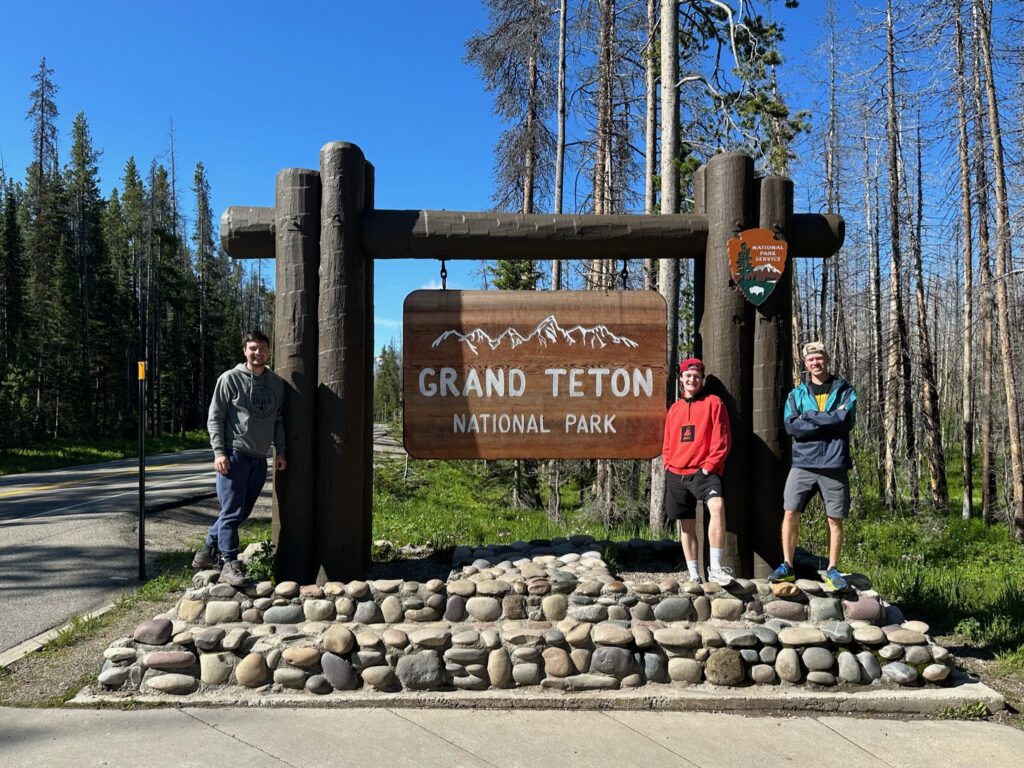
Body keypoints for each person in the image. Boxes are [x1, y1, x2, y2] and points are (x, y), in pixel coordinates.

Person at [192, 329, 287, 586]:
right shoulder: (230, 379)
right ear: (245, 351)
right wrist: (219, 453)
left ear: (269, 351)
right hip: (234, 455)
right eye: (253, 348)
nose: (258, 353)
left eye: (263, 348)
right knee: (232, 512)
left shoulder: (276, 384)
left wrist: (281, 451)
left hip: (259, 458)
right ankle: (228, 562)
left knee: (240, 511)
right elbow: (216, 417)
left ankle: (205, 553)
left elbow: (278, 421)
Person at [769, 340, 856, 590]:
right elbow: (792, 426)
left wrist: (810, 417)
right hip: (803, 463)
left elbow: (845, 419)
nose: (815, 363)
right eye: (810, 360)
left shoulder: (845, 390)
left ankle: (832, 568)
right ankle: (787, 565)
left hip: (834, 461)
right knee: (790, 511)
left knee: (835, 518)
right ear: (805, 364)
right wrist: (826, 421)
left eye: (819, 358)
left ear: (826, 359)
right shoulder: (796, 394)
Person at [662, 357, 733, 585]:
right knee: (686, 525)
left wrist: (709, 466)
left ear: (701, 378)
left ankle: (716, 568)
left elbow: (722, 439)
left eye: (696, 376)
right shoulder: (675, 409)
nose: (691, 379)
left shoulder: (714, 402)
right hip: (676, 472)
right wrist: (668, 463)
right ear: (681, 378)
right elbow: (668, 441)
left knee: (717, 506)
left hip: (703, 472)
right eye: (687, 375)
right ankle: (694, 575)